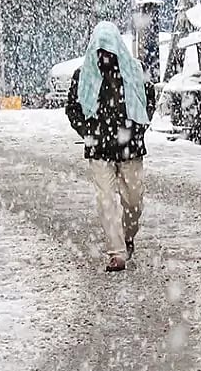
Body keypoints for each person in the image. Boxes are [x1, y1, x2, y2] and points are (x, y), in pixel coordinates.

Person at [65, 21, 157, 273]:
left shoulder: (135, 71)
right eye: (100, 51)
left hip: (131, 148)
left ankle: (128, 237)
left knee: (133, 201)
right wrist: (88, 133)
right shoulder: (84, 76)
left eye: (109, 50)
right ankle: (116, 253)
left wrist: (137, 129)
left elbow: (149, 101)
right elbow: (73, 109)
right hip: (99, 150)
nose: (105, 56)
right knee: (106, 201)